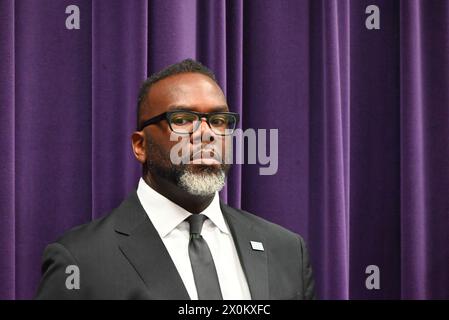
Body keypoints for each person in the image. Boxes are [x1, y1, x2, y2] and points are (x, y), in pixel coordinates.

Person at [35, 59, 316, 300]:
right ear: (140, 146)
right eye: (182, 120)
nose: (206, 134)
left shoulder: (288, 251)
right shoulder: (81, 261)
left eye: (218, 120)